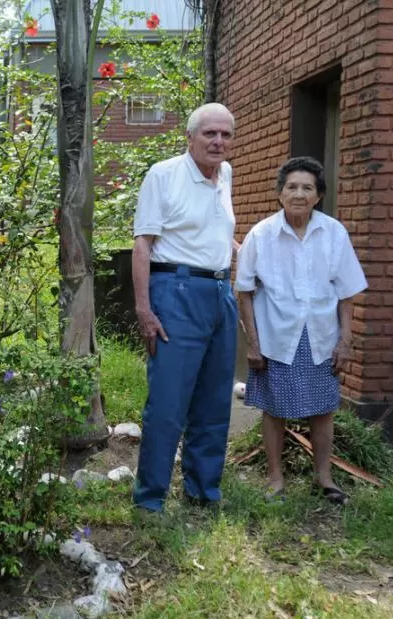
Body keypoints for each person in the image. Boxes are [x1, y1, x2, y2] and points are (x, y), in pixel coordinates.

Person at [235, 156, 367, 504]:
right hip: (276, 338)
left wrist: (346, 340)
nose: (299, 194)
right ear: (279, 194)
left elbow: (347, 292)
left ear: (318, 196)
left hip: (321, 337)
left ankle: (324, 478)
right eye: (291, 186)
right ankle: (275, 479)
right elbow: (244, 292)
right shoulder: (261, 235)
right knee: (274, 409)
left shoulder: (334, 233)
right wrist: (253, 342)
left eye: (307, 187)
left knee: (323, 409)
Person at [131, 103, 238, 512]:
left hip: (219, 293)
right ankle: (150, 498)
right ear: (190, 137)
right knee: (169, 401)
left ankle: (203, 491)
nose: (218, 142)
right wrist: (144, 309)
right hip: (175, 292)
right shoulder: (164, 174)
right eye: (210, 134)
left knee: (214, 401)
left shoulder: (224, 175)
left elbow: (215, 234)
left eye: (226, 135)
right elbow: (143, 243)